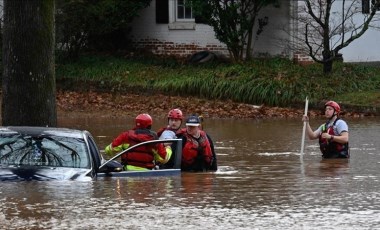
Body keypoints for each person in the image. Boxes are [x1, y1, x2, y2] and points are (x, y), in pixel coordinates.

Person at [105, 113, 172, 171]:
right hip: (147, 175)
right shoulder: (154, 140)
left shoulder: (125, 136)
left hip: (127, 173)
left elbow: (108, 151)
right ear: (150, 125)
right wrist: (168, 149)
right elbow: (164, 159)